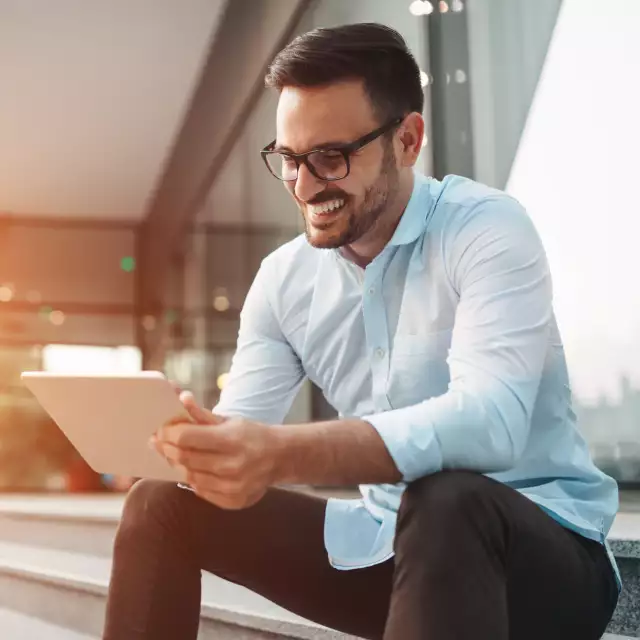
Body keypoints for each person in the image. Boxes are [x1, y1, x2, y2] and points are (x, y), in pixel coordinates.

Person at [103, 23, 621, 640]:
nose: (304, 184)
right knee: (159, 506)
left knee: (447, 497)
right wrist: (195, 451)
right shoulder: (284, 281)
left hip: (543, 562)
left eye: (330, 157)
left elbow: (491, 424)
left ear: (407, 140)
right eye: (290, 159)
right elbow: (239, 429)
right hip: (387, 550)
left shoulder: (485, 229)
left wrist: (280, 451)